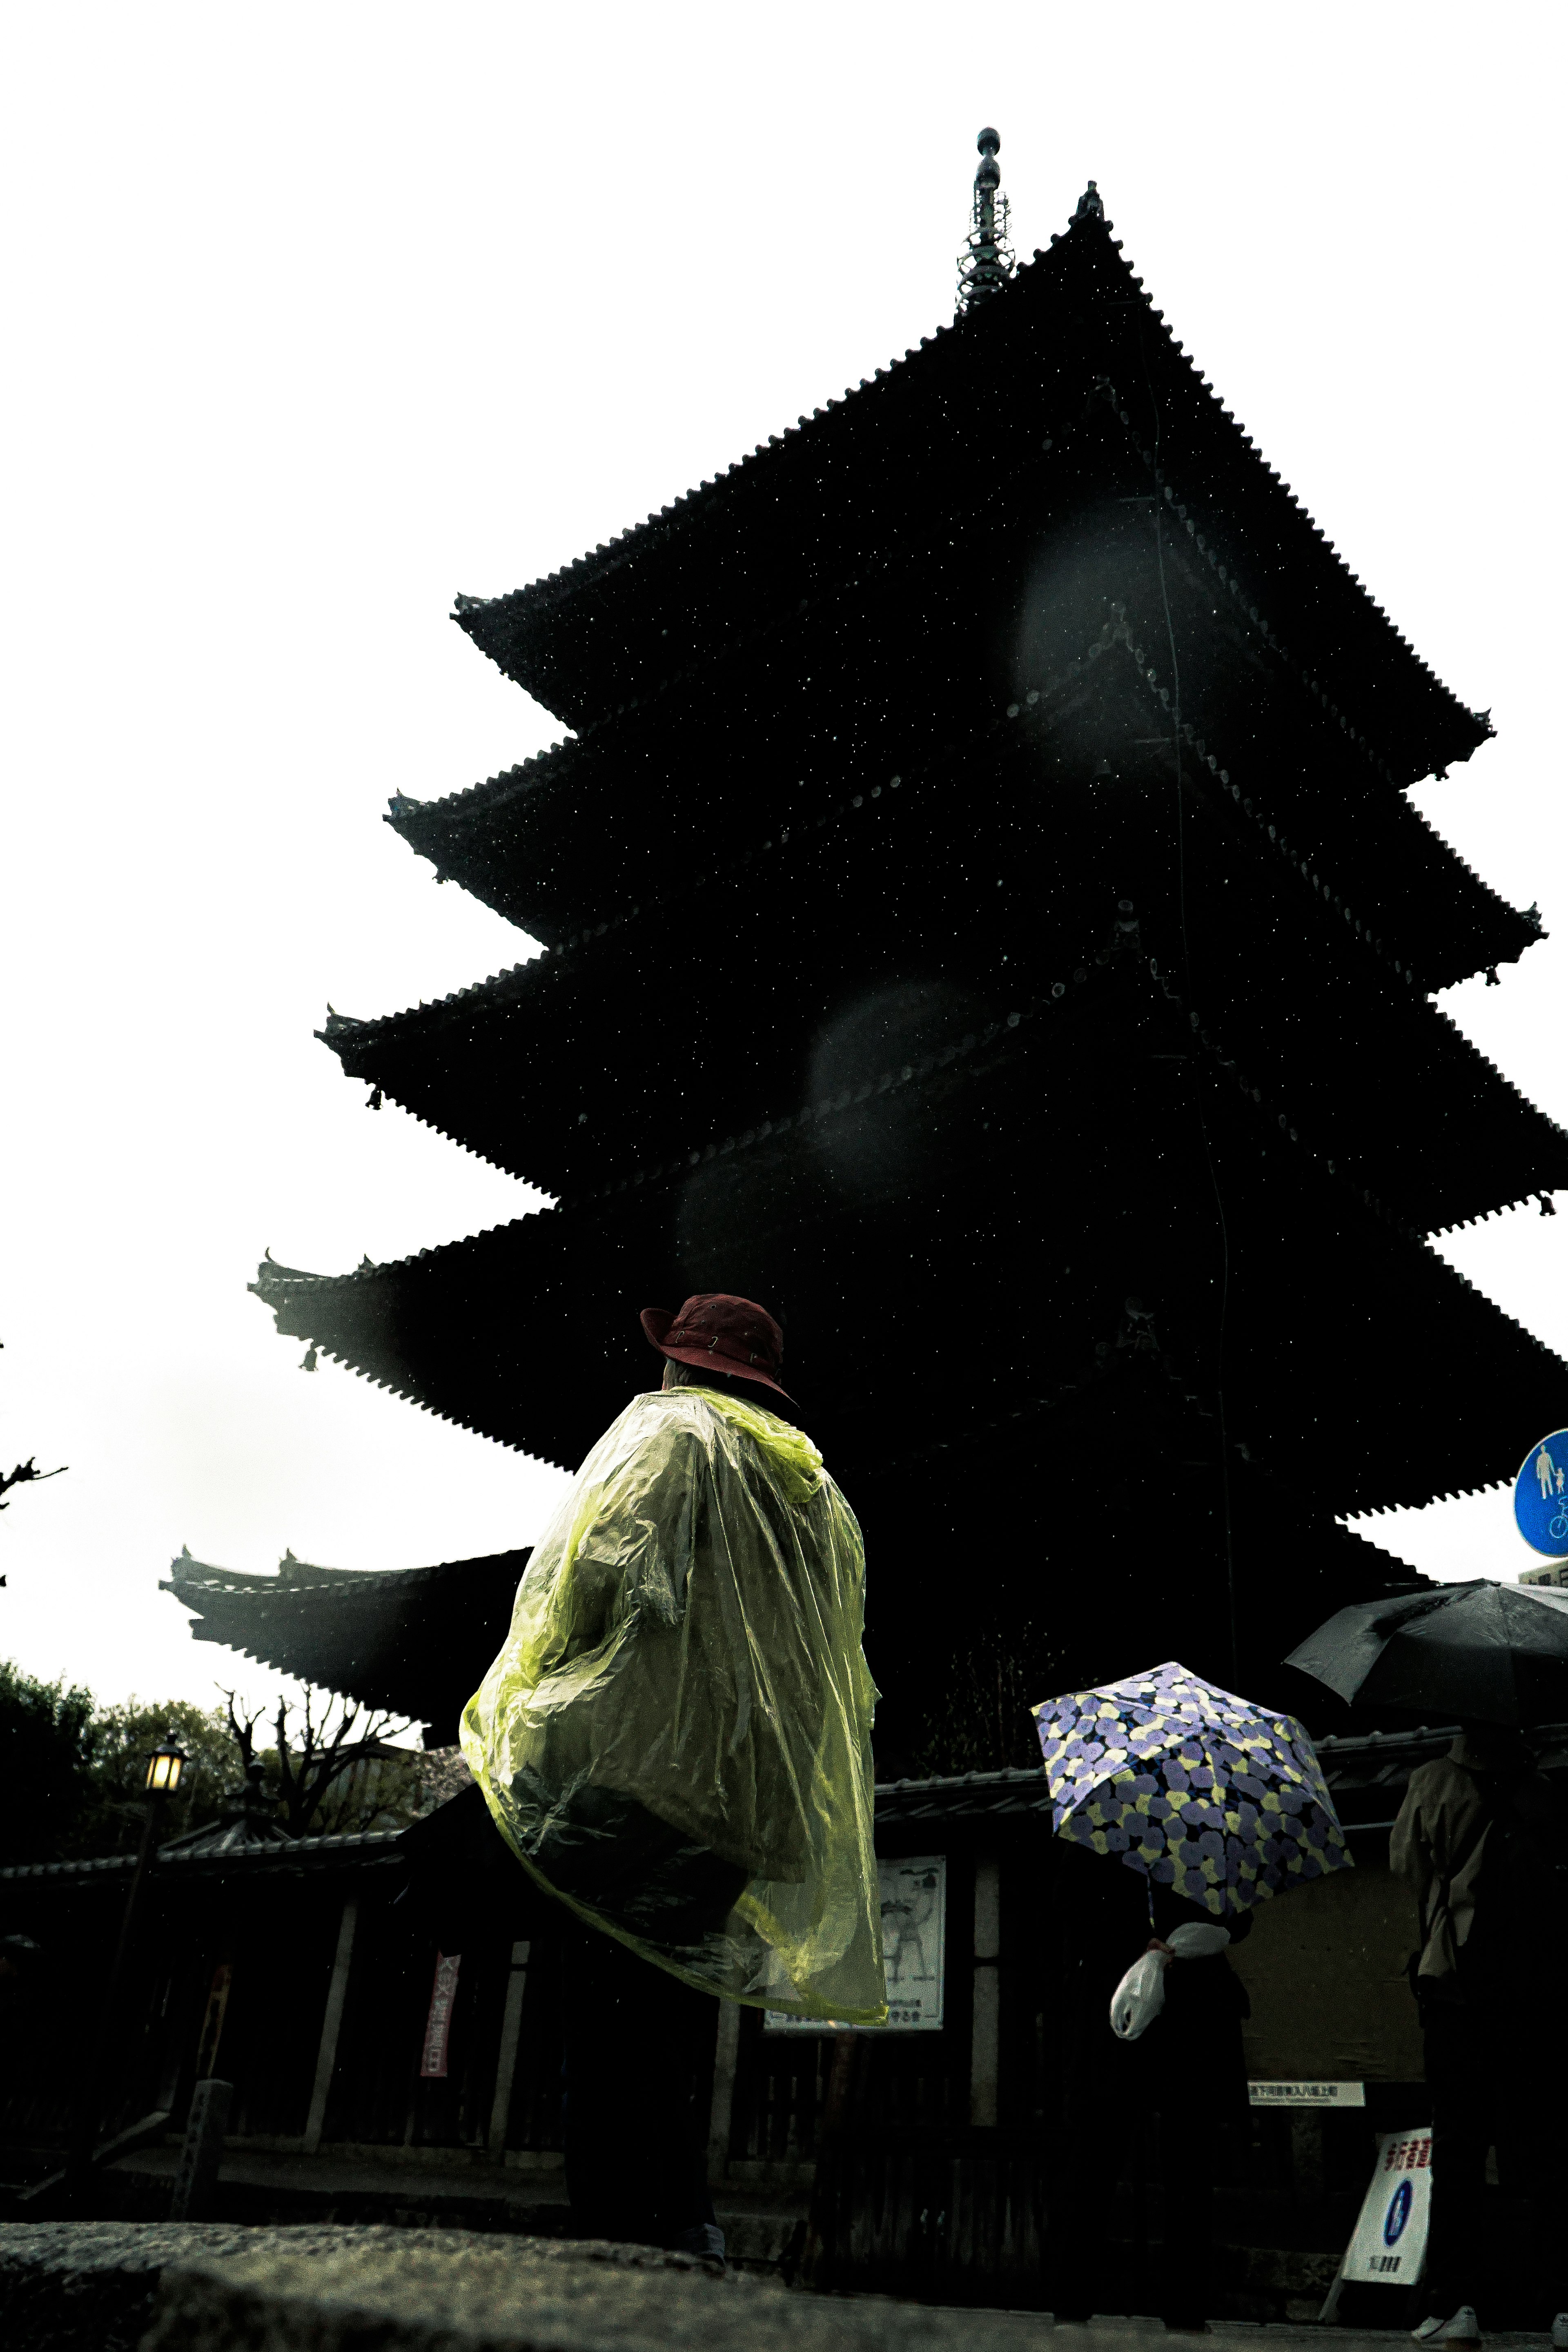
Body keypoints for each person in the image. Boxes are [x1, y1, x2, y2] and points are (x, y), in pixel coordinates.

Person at [461, 1292, 885, 2256]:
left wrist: (539, 1699)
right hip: (739, 1805)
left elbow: (602, 1569)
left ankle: (618, 2244)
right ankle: (682, 2223)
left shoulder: (679, 1433)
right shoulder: (816, 1493)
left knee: (602, 2018)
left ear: (683, 1364)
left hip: (638, 1772)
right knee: (672, 2018)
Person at [1391, 1724, 1568, 2350]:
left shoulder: (1432, 1782)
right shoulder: (1543, 1789)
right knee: (1548, 2147)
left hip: (1457, 1988)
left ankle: (1455, 2304)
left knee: (1459, 2148)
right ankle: (1564, 2307)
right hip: (1536, 1994)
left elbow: (1407, 1869)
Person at [1049, 1844, 1253, 2334]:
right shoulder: (1099, 1838)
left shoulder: (1205, 1833)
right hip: (1122, 2002)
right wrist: (1136, 1942)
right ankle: (1072, 2304)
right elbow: (1070, 1916)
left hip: (1192, 2007)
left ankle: (1184, 2308)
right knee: (1099, 2153)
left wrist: (1192, 1939)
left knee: (1186, 2160)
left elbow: (1240, 1920)